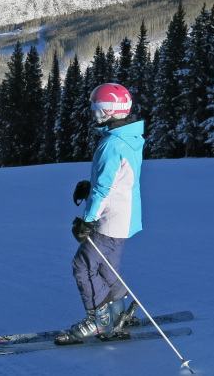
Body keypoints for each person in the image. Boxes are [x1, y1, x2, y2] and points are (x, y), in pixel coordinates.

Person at [56, 83, 144, 344]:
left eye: (98, 108)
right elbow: (118, 178)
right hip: (125, 217)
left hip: (109, 221)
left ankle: (99, 319)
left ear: (111, 110)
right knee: (107, 268)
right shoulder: (129, 137)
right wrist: (90, 185)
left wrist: (88, 221)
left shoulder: (112, 145)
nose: (95, 113)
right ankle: (117, 313)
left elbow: (104, 188)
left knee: (82, 266)